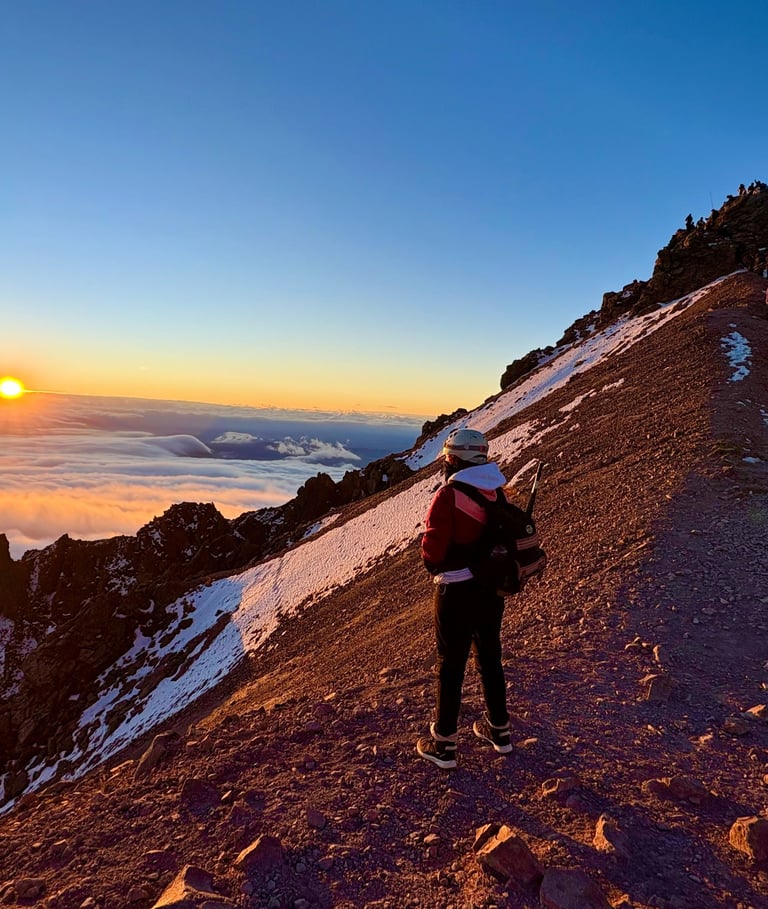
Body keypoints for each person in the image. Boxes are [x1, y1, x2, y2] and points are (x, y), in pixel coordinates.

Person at [416, 428, 513, 769]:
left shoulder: (449, 495)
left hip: (456, 590)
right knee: (489, 656)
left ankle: (444, 744)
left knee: (451, 665)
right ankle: (499, 731)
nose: (445, 463)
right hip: (491, 588)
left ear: (455, 459)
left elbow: (433, 549)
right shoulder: (496, 490)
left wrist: (433, 563)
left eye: (447, 458)